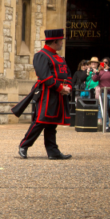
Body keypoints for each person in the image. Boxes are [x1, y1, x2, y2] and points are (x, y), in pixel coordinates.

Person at [14, 29, 73, 160]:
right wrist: (60, 88)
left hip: (59, 93)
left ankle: (53, 151)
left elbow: (68, 74)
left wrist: (68, 86)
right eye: (61, 41)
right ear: (55, 41)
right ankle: (24, 146)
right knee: (40, 121)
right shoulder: (41, 55)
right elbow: (44, 76)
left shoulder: (59, 57)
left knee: (52, 123)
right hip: (47, 93)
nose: (62, 43)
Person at [93, 57, 110, 130]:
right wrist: (98, 71)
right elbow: (94, 79)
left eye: (106, 62)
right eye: (103, 62)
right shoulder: (100, 72)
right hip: (103, 93)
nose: (104, 64)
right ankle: (106, 124)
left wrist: (109, 69)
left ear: (109, 63)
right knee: (104, 110)